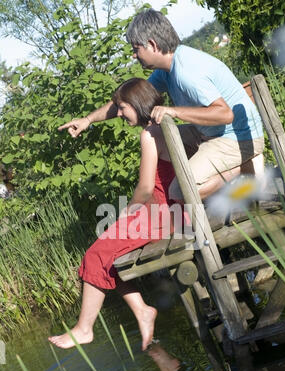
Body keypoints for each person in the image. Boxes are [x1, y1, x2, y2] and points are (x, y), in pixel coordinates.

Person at [58, 9, 265, 201]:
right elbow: (128, 101)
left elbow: (225, 114)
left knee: (180, 191)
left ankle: (241, 168)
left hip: (237, 137)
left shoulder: (187, 72)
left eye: (136, 49)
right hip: (210, 132)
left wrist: (174, 111)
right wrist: (88, 119)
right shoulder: (168, 70)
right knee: (154, 134)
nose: (133, 55)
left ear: (152, 44)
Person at [48, 78, 176, 351]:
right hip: (173, 211)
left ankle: (84, 330)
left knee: (95, 255)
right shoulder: (167, 124)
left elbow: (143, 190)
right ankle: (142, 310)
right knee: (106, 255)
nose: (118, 114)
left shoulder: (150, 134)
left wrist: (125, 216)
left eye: (122, 108)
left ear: (137, 105)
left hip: (158, 215)